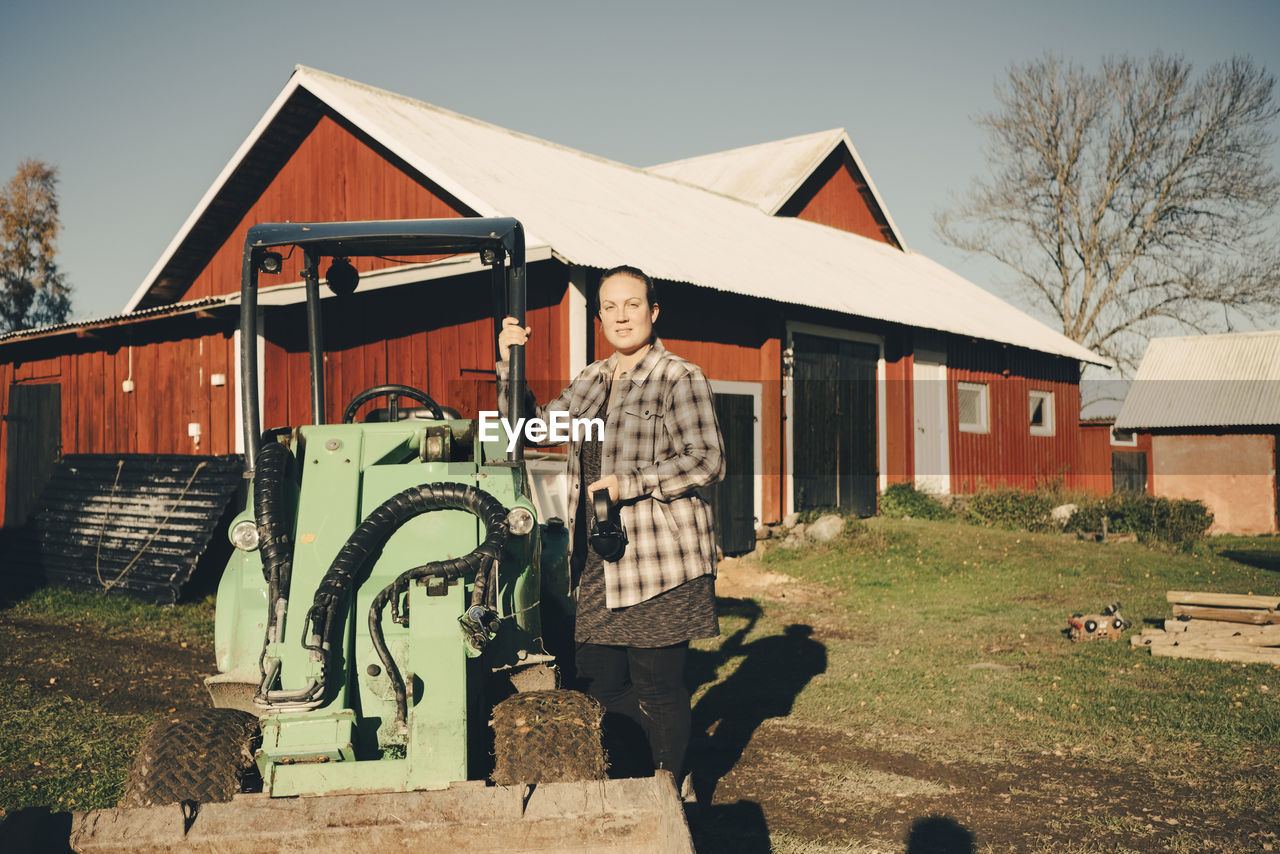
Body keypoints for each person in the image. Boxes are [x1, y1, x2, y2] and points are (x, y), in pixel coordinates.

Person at [495, 265, 724, 791]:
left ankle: (671, 788)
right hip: (597, 557)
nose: (622, 316)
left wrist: (633, 483)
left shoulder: (678, 377)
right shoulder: (592, 381)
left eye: (633, 304)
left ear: (653, 311)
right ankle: (633, 777)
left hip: (659, 558)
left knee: (657, 686)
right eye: (611, 308)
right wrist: (511, 365)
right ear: (599, 318)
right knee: (596, 678)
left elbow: (707, 460)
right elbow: (530, 428)